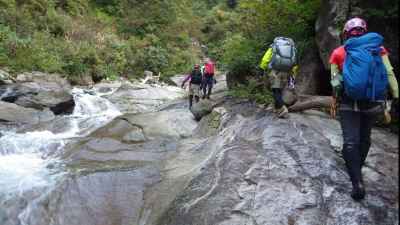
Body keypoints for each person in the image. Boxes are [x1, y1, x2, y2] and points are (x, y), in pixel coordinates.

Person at [329, 17, 399, 200]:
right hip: (373, 103)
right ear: (364, 32)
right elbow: (389, 73)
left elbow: (335, 82)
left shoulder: (338, 52)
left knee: (350, 141)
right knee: (365, 138)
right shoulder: (378, 49)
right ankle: (357, 170)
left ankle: (357, 181)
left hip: (348, 103)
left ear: (346, 34)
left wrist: (335, 101)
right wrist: (396, 96)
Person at [259, 37, 298, 118]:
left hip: (275, 71)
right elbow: (294, 61)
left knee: (275, 91)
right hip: (287, 71)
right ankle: (277, 109)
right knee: (279, 91)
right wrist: (293, 74)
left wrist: (262, 68)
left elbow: (266, 58)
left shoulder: (274, 46)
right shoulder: (292, 47)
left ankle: (283, 109)